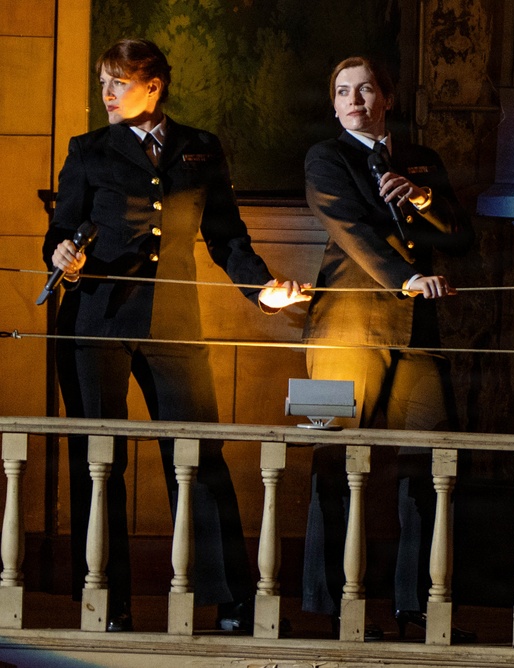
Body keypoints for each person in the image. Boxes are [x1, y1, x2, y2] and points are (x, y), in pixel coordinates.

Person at [42, 38, 311, 632]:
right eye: (102, 83)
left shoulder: (200, 149)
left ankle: (233, 602)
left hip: (175, 322)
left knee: (198, 456)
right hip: (95, 323)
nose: (106, 95)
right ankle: (105, 601)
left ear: (153, 86)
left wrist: (261, 288)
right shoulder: (87, 150)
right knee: (98, 462)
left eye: (118, 82)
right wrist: (62, 251)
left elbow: (227, 236)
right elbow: (60, 228)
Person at [300, 56, 475, 641]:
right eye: (343, 92)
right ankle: (331, 608)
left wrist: (424, 200)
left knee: (430, 466)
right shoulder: (325, 157)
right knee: (332, 466)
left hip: (418, 336)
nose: (355, 100)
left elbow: (462, 236)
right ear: (334, 106)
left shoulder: (424, 160)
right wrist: (404, 277)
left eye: (366, 89)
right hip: (338, 333)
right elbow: (353, 230)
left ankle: (418, 609)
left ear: (388, 99)